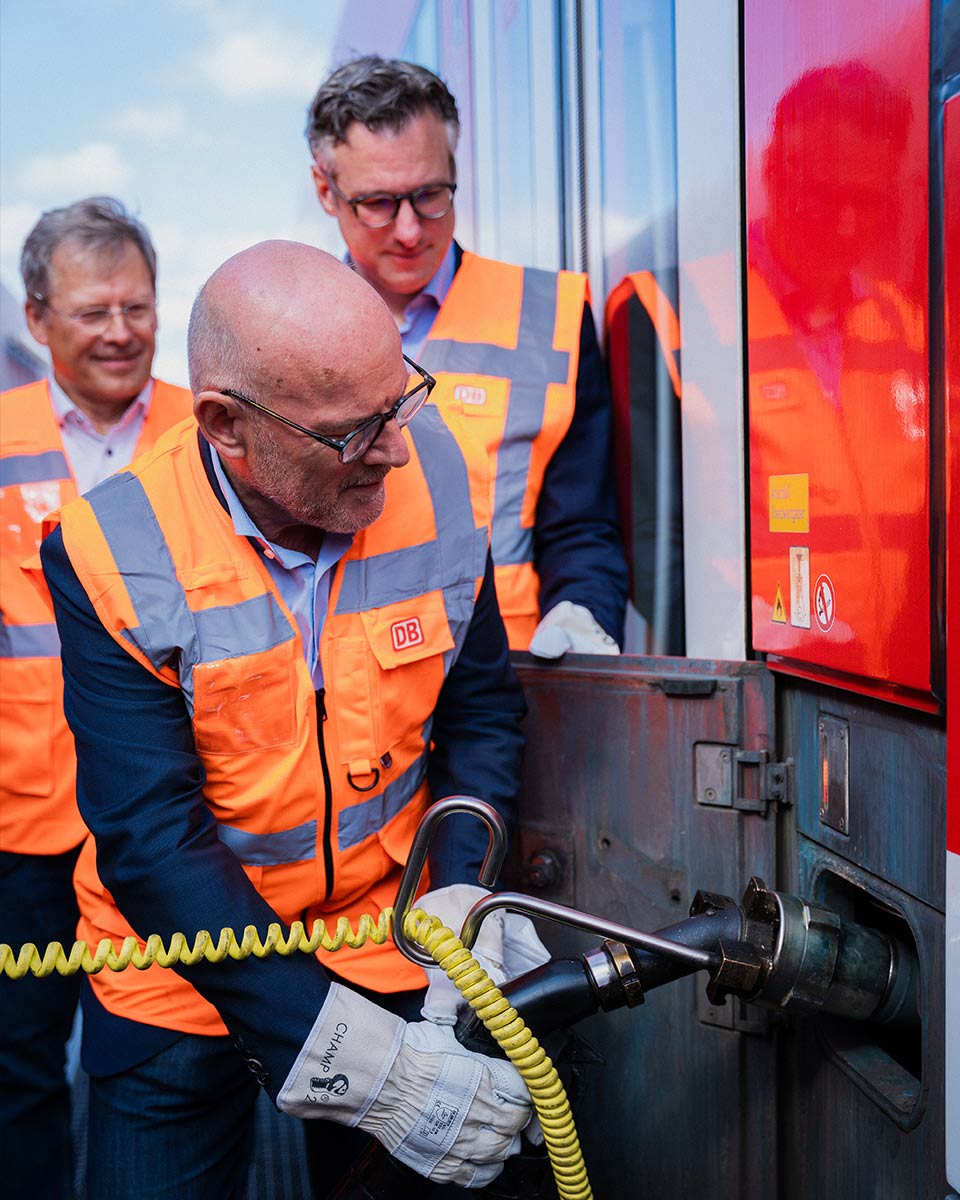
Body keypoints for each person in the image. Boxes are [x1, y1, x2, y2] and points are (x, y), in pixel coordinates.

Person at [36, 240, 543, 1198]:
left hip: (389, 941)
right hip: (178, 971)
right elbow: (150, 838)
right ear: (226, 424)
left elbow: (480, 714)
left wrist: (463, 885)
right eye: (354, 431)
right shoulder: (114, 548)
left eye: (402, 399)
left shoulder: (428, 469)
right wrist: (361, 1064)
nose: (395, 448)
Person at [306, 55, 629, 658]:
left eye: (430, 194)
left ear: (455, 170)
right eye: (377, 202)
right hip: (349, 699)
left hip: (511, 683)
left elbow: (581, 525)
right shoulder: (287, 333)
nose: (408, 230)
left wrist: (582, 613)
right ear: (326, 190)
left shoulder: (551, 319)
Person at [0, 196, 193, 1200]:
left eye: (138, 306)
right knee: (17, 1072)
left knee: (166, 1062)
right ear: (38, 318)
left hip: (166, 823)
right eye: (91, 313)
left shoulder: (211, 430)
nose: (121, 332)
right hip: (21, 835)